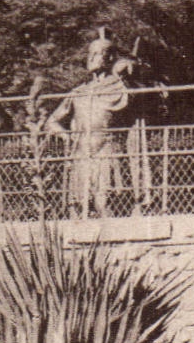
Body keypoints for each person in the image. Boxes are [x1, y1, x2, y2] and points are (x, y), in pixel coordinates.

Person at [46, 30, 132, 219]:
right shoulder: (79, 91)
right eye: (90, 53)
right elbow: (51, 121)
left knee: (104, 203)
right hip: (81, 151)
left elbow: (139, 95)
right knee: (77, 204)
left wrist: (128, 71)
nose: (91, 58)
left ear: (110, 57)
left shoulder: (119, 87)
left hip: (106, 149)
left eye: (98, 53)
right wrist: (65, 135)